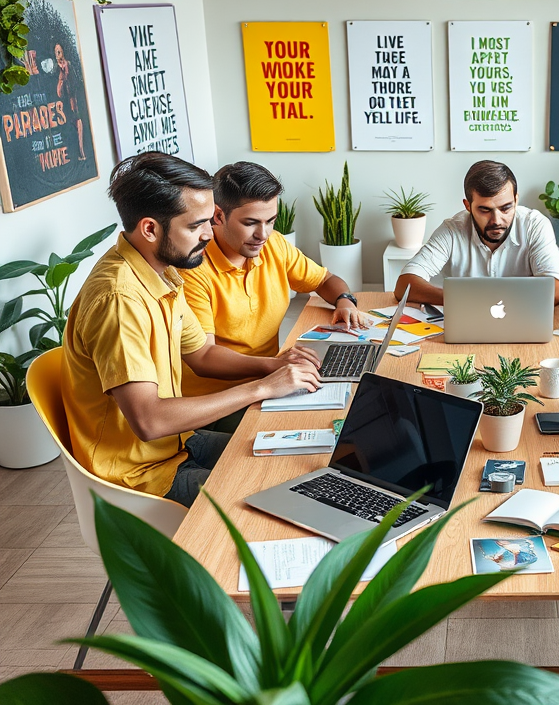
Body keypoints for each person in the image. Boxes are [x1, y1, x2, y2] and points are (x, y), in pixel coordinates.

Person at [61, 153, 321, 508]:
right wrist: (262, 386)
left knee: (300, 465)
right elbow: (149, 421)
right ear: (150, 229)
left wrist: (274, 367)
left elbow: (200, 353)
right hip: (142, 472)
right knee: (275, 500)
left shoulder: (162, 272)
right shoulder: (119, 300)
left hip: (179, 442)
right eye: (195, 225)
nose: (208, 233)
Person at [181, 161, 369, 410]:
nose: (264, 234)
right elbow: (203, 358)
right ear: (218, 215)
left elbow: (325, 280)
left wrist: (345, 301)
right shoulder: (192, 269)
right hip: (220, 401)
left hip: (273, 381)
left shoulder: (274, 245)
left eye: (271, 221)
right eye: (250, 223)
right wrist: (274, 365)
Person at [394, 160, 559, 306]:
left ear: (516, 200)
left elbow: (557, 291)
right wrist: (463, 300)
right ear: (468, 206)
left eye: (506, 208)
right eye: (485, 210)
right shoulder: (452, 230)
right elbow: (404, 285)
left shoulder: (534, 225)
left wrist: (486, 300)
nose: (497, 220)